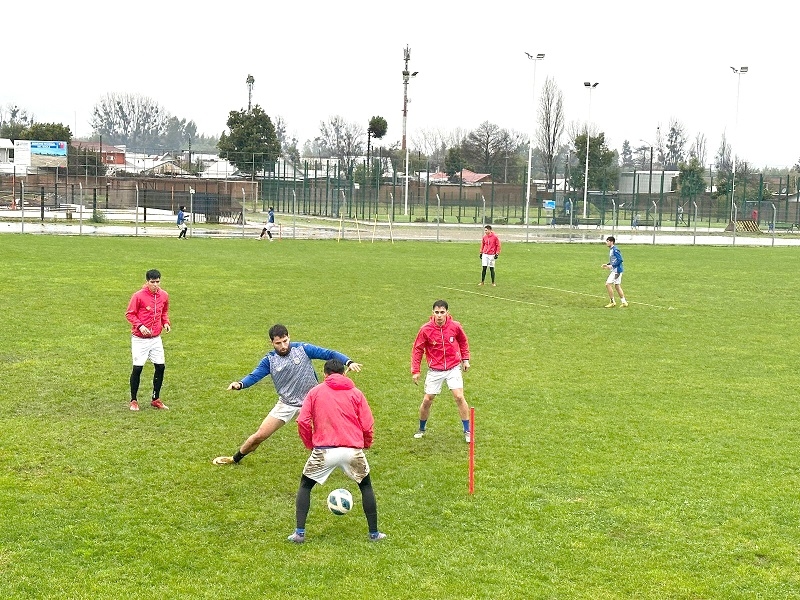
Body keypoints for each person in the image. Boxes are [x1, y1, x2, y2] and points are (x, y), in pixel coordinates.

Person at [213, 324, 362, 465]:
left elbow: (329, 354)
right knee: (260, 436)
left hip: (313, 402)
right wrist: (240, 384)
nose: (283, 346)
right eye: (278, 343)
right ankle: (235, 458)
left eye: (285, 341)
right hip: (286, 403)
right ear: (271, 342)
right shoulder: (269, 360)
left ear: (289, 337)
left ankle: (348, 460)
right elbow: (254, 375)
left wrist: (348, 362)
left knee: (335, 430)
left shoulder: (303, 349)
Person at [287, 359, 385, 543]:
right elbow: (367, 423)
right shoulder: (356, 393)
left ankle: (299, 533)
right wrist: (367, 443)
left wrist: (310, 443)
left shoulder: (315, 392)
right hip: (352, 450)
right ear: (344, 373)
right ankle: (374, 534)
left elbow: (302, 421)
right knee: (365, 487)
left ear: (324, 374)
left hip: (324, 451)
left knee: (305, 486)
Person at [411, 300, 471, 442]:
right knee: (427, 400)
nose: (439, 316)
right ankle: (421, 428)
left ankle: (467, 430)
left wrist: (465, 359)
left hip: (453, 367)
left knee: (459, 397)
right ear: (433, 313)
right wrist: (416, 370)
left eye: (442, 312)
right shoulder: (425, 329)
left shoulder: (455, 326)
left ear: (447, 313)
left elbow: (463, 341)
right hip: (435, 370)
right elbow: (417, 349)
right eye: (436, 312)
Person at [126, 269, 171, 411]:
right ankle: (133, 400)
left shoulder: (164, 295)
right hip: (140, 339)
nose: (155, 285)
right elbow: (130, 314)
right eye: (153, 282)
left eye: (158, 282)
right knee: (138, 368)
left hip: (155, 338)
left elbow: (164, 312)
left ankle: (155, 398)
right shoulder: (138, 296)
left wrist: (166, 323)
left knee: (160, 367)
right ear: (147, 282)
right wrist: (140, 326)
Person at [602, 236, 628, 308]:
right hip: (617, 270)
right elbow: (614, 260)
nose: (606, 243)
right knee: (617, 286)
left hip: (616, 271)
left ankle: (612, 302)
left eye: (607, 241)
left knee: (608, 284)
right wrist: (607, 264)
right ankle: (624, 302)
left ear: (611, 242)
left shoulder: (615, 250)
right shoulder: (612, 249)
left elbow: (620, 260)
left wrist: (612, 266)